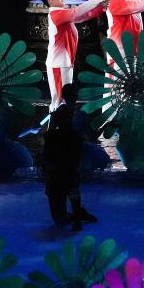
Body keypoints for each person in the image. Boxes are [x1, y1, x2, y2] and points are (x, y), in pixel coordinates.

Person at [43, 0, 114, 111]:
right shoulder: (56, 15)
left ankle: (62, 126)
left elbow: (82, 16)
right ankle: (54, 128)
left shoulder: (63, 14)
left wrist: (100, 8)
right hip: (57, 64)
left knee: (64, 99)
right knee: (58, 101)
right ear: (50, 1)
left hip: (65, 62)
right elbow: (78, 11)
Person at [42, 84, 98, 231]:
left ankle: (76, 215)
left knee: (66, 184)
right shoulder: (79, 114)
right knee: (71, 183)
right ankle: (77, 214)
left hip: (64, 152)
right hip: (70, 151)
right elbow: (90, 136)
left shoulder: (59, 114)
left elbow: (50, 134)